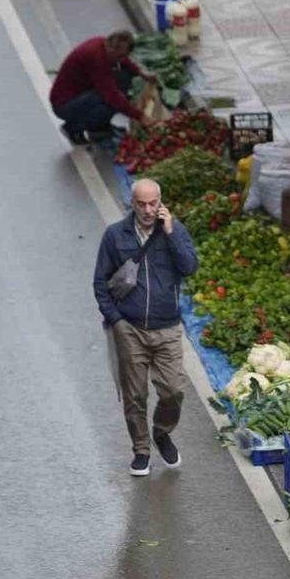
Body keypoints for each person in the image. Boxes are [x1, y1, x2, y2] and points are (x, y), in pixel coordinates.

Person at [93, 178, 199, 476]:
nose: (148, 210)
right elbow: (100, 282)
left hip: (167, 328)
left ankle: (162, 431)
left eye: (153, 203)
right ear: (132, 203)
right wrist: (116, 320)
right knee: (135, 394)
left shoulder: (174, 231)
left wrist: (171, 234)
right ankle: (140, 449)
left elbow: (190, 267)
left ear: (161, 202)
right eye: (141, 204)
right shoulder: (115, 236)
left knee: (173, 390)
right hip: (131, 328)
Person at [50, 30, 158, 145]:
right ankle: (73, 128)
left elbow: (125, 62)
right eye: (119, 56)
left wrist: (141, 73)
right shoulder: (95, 58)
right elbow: (111, 95)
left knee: (124, 76)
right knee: (106, 99)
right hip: (65, 104)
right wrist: (140, 116)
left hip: (81, 93)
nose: (121, 60)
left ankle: (99, 127)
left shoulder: (103, 44)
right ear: (111, 48)